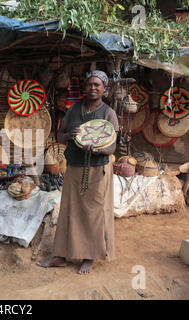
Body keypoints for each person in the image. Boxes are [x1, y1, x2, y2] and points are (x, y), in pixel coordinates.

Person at [37, 70, 119, 274]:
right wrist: (69, 134)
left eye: (97, 85)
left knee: (93, 213)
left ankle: (89, 256)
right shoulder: (73, 109)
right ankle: (60, 256)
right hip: (74, 167)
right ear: (84, 88)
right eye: (89, 84)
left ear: (104, 89)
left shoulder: (108, 113)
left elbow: (112, 147)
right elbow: (60, 136)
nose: (92, 88)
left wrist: (99, 149)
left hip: (97, 169)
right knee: (69, 210)